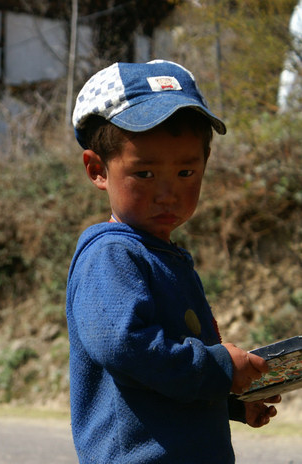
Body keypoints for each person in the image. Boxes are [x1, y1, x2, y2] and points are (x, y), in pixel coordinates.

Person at [65, 60, 281, 463]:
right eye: (144, 174)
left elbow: (156, 380)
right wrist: (218, 369)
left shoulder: (162, 255)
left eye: (186, 171)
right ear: (98, 169)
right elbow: (128, 347)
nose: (168, 193)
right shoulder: (111, 255)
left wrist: (230, 398)